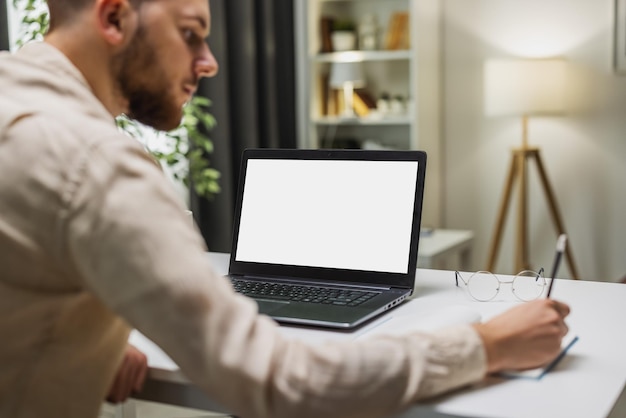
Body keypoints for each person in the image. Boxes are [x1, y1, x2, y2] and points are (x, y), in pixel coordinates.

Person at [0, 0, 571, 417]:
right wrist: (486, 344)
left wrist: (89, 335)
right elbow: (281, 382)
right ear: (114, 17)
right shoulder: (98, 163)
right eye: (192, 34)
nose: (210, 63)